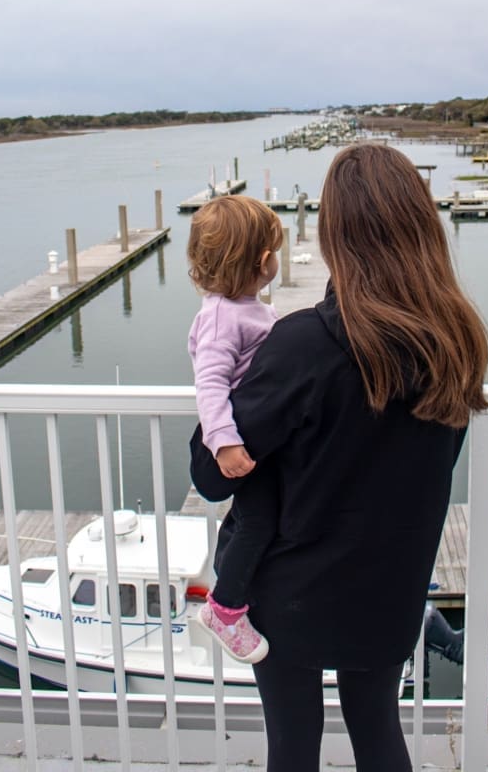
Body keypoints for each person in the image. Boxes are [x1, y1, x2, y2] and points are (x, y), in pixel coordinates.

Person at [191, 142, 488, 772]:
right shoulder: (457, 343)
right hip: (391, 588)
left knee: (294, 745)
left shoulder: (301, 344)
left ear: (333, 235)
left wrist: (221, 394)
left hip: (289, 595)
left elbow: (212, 477)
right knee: (379, 730)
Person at [187, 193, 283, 663]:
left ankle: (231, 587)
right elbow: (209, 384)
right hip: (242, 443)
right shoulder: (222, 317)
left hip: (259, 438)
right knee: (261, 519)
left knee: (254, 519)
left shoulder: (246, 308)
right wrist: (223, 443)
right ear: (264, 261)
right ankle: (224, 610)